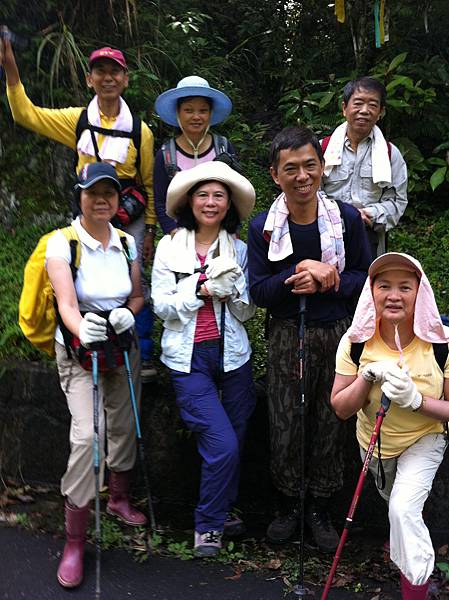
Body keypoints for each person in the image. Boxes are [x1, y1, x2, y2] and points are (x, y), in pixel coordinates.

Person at [0, 34, 157, 382]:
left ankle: (140, 351)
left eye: (114, 71)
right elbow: (26, 115)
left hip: (127, 212)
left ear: (125, 78)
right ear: (90, 79)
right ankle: (79, 339)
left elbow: (147, 181)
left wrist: (148, 229)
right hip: (89, 210)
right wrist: (11, 69)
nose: (108, 77)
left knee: (135, 278)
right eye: (99, 71)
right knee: (75, 272)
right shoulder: (77, 120)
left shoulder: (139, 132)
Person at [247, 126, 371, 552]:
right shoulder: (264, 228)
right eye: (291, 169)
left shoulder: (347, 220)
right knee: (284, 420)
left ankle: (320, 508)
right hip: (286, 333)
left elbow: (364, 279)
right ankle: (287, 505)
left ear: (321, 167)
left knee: (329, 422)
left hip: (337, 334)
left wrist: (328, 279)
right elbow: (259, 291)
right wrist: (299, 271)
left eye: (310, 166)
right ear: (275, 175)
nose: (302, 176)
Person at [45, 162, 147, 588]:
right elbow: (68, 303)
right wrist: (78, 326)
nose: (102, 200)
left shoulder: (126, 242)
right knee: (89, 435)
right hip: (79, 346)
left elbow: (138, 296)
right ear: (80, 195)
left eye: (109, 193)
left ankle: (118, 498)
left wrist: (130, 312)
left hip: (121, 345)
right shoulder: (62, 242)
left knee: (124, 424)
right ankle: (74, 538)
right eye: (93, 193)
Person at [151, 160, 256, 557]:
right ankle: (208, 526)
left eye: (218, 195)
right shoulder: (169, 246)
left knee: (236, 440)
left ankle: (224, 508)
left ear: (228, 205)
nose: (210, 203)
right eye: (203, 195)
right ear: (189, 202)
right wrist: (200, 290)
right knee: (222, 442)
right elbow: (162, 306)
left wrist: (233, 291)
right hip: (187, 359)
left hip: (233, 358)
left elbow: (247, 313)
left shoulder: (241, 250)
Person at [331, 252, 449, 599]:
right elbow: (340, 407)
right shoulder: (355, 342)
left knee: (402, 508)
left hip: (425, 438)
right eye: (384, 286)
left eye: (405, 287)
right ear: (372, 292)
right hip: (375, 443)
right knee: (400, 508)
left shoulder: (441, 343)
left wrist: (416, 401)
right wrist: (367, 376)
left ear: (420, 292)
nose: (394, 295)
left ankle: (417, 589)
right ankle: (407, 549)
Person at [321, 76, 408, 259]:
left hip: (369, 237)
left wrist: (368, 215)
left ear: (381, 112)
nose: (364, 111)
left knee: (365, 285)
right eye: (358, 103)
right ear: (345, 108)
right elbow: (310, 192)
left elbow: (397, 202)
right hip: (324, 235)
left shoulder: (391, 154)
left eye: (373, 105)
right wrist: (340, 214)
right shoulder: (322, 149)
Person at [153, 75, 238, 234]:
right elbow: (160, 201)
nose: (196, 117)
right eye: (188, 110)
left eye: (203, 110)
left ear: (210, 113)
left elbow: (235, 195)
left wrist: (231, 232)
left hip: (220, 234)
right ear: (178, 112)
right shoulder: (166, 155)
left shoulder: (223, 148)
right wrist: (173, 233)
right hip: (179, 235)